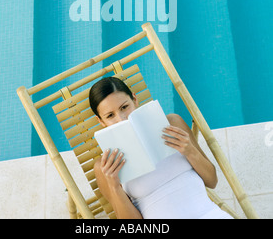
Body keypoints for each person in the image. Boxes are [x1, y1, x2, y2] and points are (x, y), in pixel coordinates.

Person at [89, 76, 233, 220]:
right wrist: (114, 186)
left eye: (124, 107)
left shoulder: (171, 124)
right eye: (110, 116)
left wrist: (189, 150)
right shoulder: (105, 166)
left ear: (135, 100)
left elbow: (212, 181)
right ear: (101, 121)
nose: (121, 119)